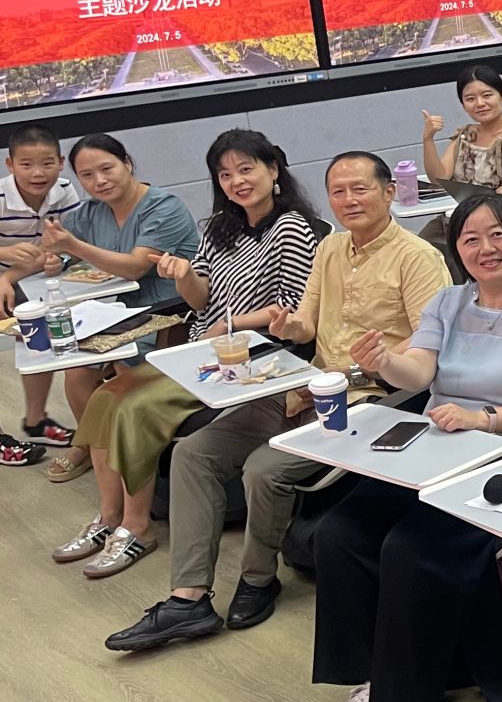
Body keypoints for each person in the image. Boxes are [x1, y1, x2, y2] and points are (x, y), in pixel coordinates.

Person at [103, 153, 450, 653]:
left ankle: (258, 579)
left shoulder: (417, 257)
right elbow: (307, 324)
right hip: (305, 385)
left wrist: (374, 363)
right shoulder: (330, 248)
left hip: (368, 398)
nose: (348, 200)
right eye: (338, 191)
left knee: (263, 470)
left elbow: (427, 346)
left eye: (360, 189)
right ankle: (188, 598)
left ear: (389, 192)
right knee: (192, 454)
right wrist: (290, 326)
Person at [306, 194, 502, 702]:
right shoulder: (448, 301)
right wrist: (384, 362)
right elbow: (421, 371)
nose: (486, 248)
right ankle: (373, 678)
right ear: (457, 250)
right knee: (339, 533)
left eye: (498, 234)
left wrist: (485, 419)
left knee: (411, 547)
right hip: (437, 444)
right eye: (470, 239)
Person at [51, 132, 319, 580]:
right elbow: (200, 300)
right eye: (225, 175)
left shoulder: (291, 227)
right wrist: (183, 277)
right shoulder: (218, 226)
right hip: (203, 348)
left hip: (254, 355)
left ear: (273, 170)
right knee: (105, 397)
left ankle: (138, 527)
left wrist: (228, 325)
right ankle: (108, 517)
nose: (237, 181)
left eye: (246, 169)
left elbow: (294, 307)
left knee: (135, 406)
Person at [34, 134, 201, 484]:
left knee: (123, 370)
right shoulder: (91, 212)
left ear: (127, 163)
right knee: (77, 369)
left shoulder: (163, 207)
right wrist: (56, 258)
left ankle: (125, 457)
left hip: (171, 314)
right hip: (122, 316)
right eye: (87, 175)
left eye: (107, 169)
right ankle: (89, 444)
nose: (99, 181)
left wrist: (72, 246)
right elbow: (62, 251)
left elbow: (135, 267)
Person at [0, 123, 81, 464]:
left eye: (47, 163)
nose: (38, 173)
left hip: (31, 282)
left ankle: (36, 421)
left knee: (39, 342)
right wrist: (4, 255)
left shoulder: (65, 192)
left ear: (60, 162)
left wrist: (58, 259)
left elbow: (70, 244)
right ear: (10, 164)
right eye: (27, 164)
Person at [419, 64, 502, 197]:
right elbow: (438, 181)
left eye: (487, 95)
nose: (480, 103)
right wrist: (428, 138)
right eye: (470, 99)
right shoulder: (465, 135)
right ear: (463, 105)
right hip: (462, 207)